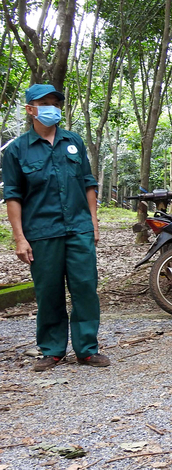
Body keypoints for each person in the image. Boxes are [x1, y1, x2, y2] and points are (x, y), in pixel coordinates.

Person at [2, 84, 110, 371]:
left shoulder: (73, 141)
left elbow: (88, 183)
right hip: (41, 232)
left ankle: (87, 349)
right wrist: (19, 238)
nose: (51, 107)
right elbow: (12, 196)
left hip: (78, 228)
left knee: (85, 287)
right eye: (44, 102)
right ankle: (52, 350)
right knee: (48, 291)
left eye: (55, 102)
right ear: (30, 109)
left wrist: (93, 222)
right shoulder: (16, 150)